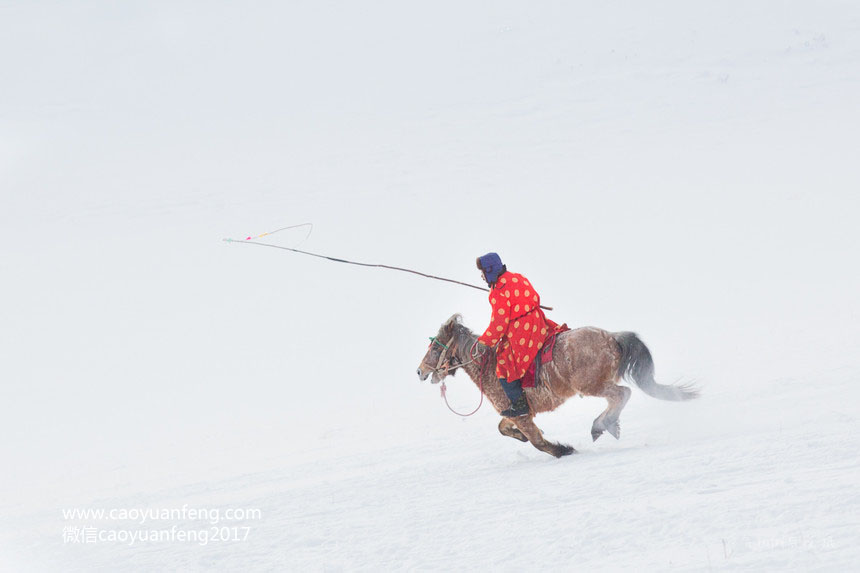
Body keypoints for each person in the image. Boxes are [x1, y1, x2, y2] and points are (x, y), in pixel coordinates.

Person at [474, 252, 558, 417]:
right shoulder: (517, 277)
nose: (482, 277)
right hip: (538, 322)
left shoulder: (499, 291)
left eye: (483, 272)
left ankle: (520, 405)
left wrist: (484, 341)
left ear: (490, 270)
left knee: (504, 364)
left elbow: (499, 324)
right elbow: (535, 297)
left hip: (522, 331)